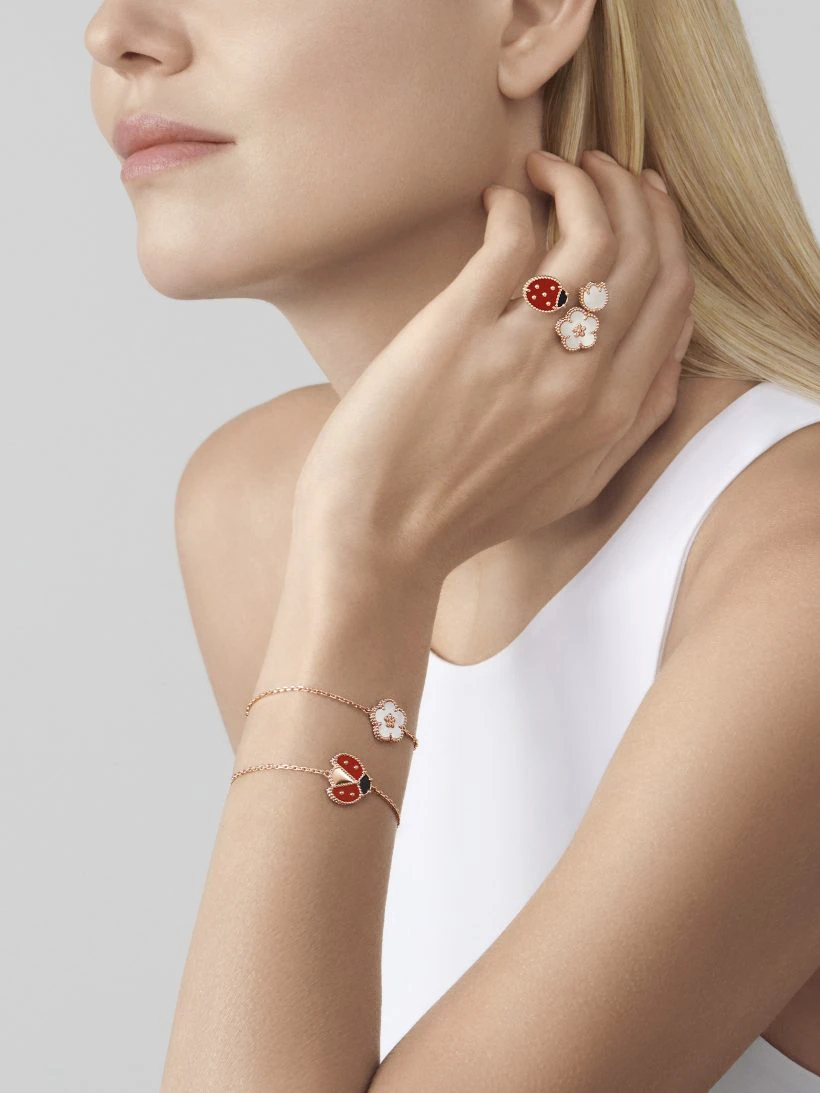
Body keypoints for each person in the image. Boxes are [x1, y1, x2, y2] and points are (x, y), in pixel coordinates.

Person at [84, 0, 820, 1088]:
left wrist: (371, 558)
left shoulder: (792, 572)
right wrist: (365, 545)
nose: (115, 33)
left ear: (527, 18)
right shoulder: (259, 506)